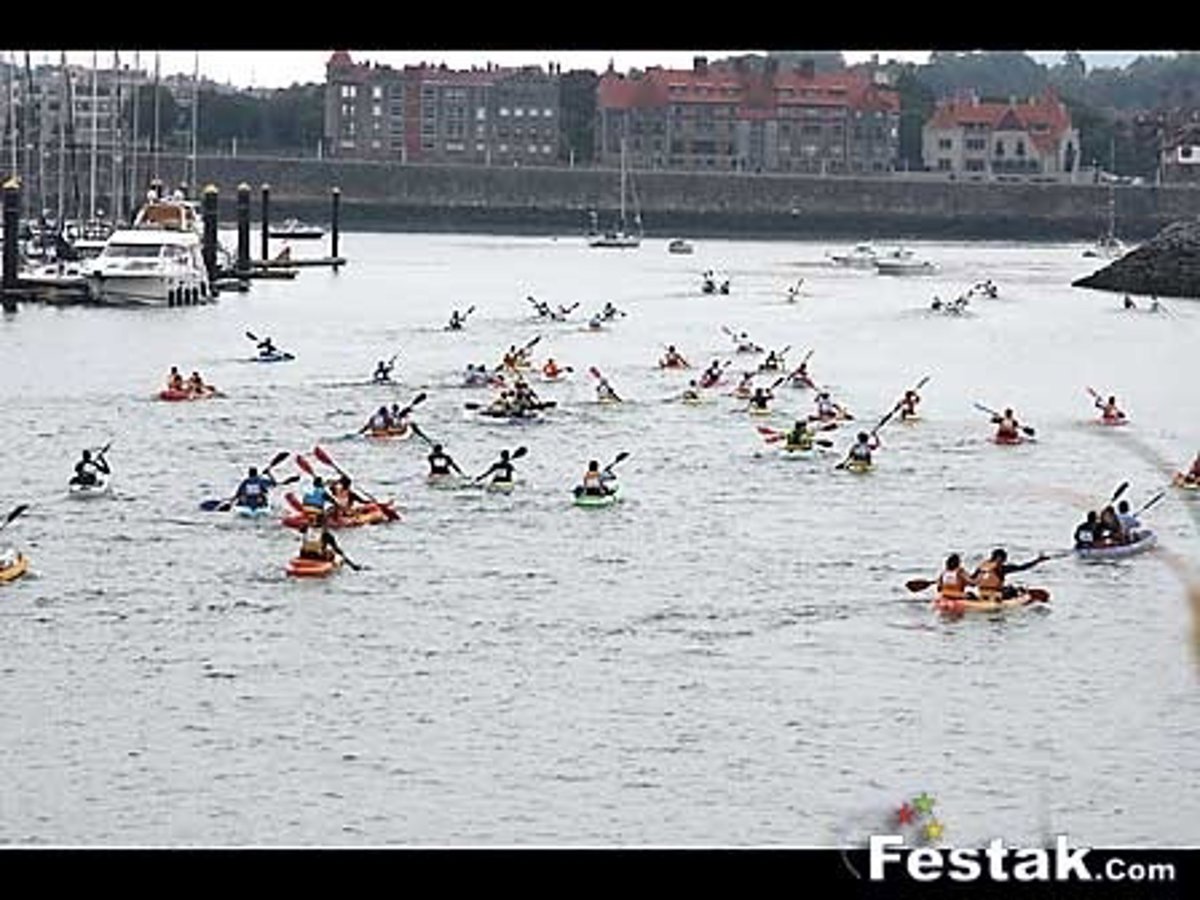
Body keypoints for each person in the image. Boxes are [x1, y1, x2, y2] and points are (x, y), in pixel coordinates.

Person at [972, 548, 1048, 601]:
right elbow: (1022, 567)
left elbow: (972, 580)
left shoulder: (981, 567)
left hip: (981, 593)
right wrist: (1037, 560)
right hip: (996, 595)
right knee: (1013, 590)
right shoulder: (1002, 568)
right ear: (1001, 559)